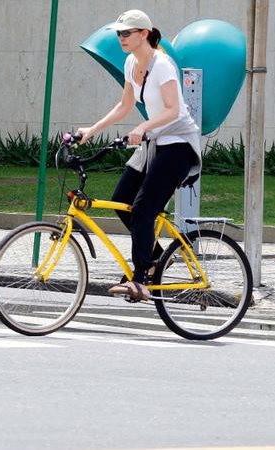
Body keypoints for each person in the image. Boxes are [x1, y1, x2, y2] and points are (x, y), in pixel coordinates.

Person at [77, 9, 201, 301]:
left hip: (178, 145)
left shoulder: (162, 65)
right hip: (154, 144)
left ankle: (141, 278)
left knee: (144, 208)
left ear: (144, 33)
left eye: (127, 33)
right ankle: (156, 257)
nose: (121, 38)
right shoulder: (131, 62)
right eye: (119, 33)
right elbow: (124, 105)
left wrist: (143, 126)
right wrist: (91, 130)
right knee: (122, 201)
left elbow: (174, 110)